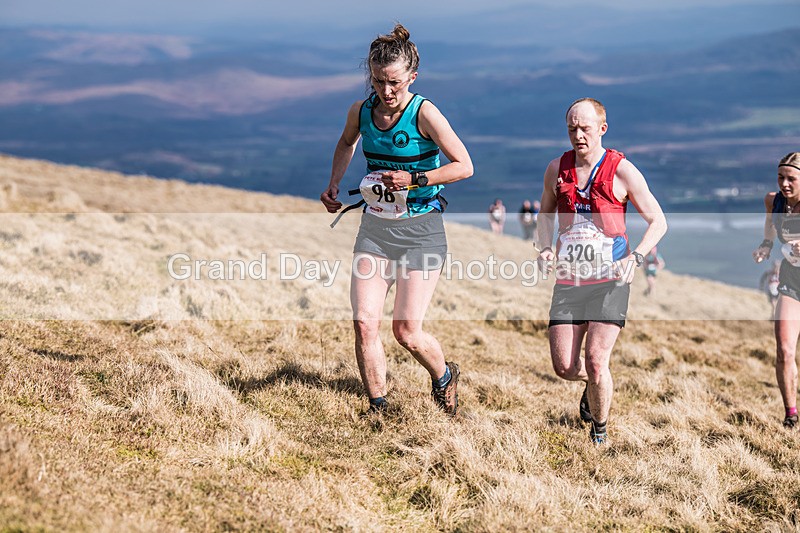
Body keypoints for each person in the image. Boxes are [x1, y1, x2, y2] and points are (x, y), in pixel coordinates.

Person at [320, 24, 473, 416]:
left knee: (406, 332)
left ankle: (444, 376)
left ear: (412, 77)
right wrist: (334, 183)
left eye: (394, 82)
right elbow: (346, 142)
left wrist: (415, 179)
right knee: (364, 323)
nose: (385, 91)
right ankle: (379, 408)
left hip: (421, 232)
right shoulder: (361, 111)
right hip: (375, 229)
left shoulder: (424, 113)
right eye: (377, 81)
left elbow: (464, 166)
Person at [535, 98, 667, 444]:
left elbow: (659, 221)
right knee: (564, 367)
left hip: (611, 280)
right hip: (570, 280)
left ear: (602, 129)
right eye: (572, 129)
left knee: (595, 360)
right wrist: (545, 247)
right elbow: (545, 215)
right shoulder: (556, 169)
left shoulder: (622, 170)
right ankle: (595, 384)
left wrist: (636, 257)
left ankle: (599, 432)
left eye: (585, 129)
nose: (578, 135)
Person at [752, 152, 800, 429]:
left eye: (791, 178)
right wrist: (766, 245)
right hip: (792, 280)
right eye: (781, 177)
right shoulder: (774, 200)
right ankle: (791, 415)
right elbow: (770, 224)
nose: (784, 183)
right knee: (784, 349)